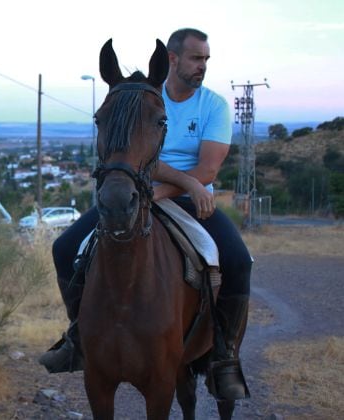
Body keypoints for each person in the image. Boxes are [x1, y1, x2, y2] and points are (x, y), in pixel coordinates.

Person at [38, 28, 251, 402]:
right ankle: (78, 336)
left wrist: (168, 188)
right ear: (172, 59)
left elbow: (208, 171)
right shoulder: (142, 97)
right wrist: (149, 184)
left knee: (237, 260)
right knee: (64, 248)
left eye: (205, 59)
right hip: (135, 190)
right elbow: (130, 153)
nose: (202, 66)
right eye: (196, 58)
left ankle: (224, 356)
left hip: (191, 201)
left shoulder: (212, 106)